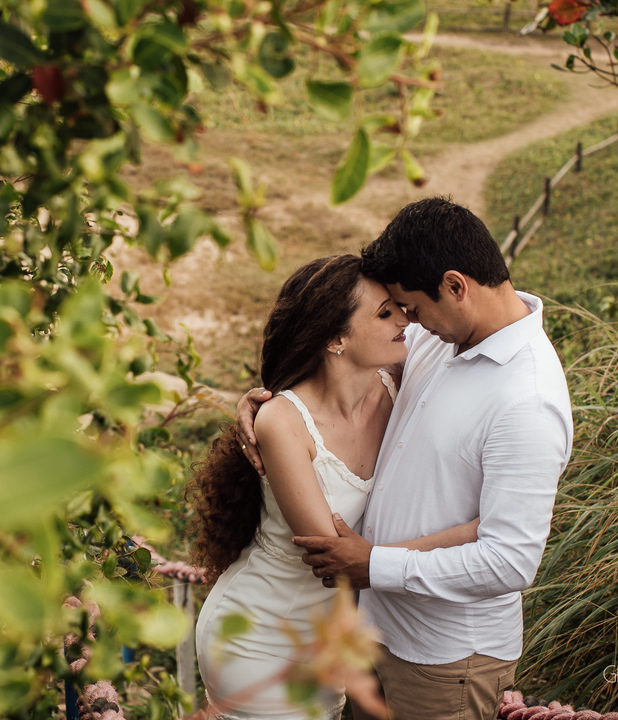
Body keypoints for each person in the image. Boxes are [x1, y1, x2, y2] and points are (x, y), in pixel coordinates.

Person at [236, 197, 574, 720]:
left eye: (412, 308)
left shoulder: (526, 399)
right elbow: (343, 358)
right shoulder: (443, 335)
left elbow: (510, 561)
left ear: (456, 287)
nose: (407, 323)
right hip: (376, 632)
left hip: (447, 661)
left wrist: (374, 564)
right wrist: (265, 400)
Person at [189, 254, 480, 720]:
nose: (405, 319)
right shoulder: (284, 423)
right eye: (385, 313)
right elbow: (338, 559)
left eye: (399, 308)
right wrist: (475, 533)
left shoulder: (395, 384)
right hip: (258, 633)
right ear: (336, 338)